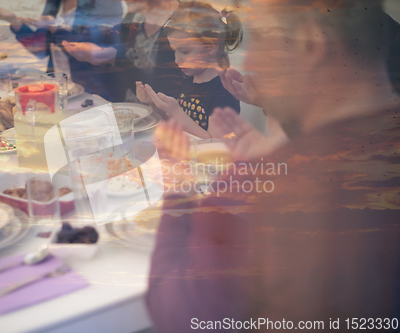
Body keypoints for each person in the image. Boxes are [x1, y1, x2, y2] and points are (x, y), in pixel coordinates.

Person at [146, 0, 400, 332]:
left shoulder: (257, 190)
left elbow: (176, 315)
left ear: (311, 44)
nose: (250, 60)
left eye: (262, 38)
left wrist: (179, 187)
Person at [137, 2, 242, 139]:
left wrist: (176, 112)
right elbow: (178, 124)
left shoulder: (224, 92)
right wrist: (154, 104)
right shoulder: (188, 79)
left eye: (185, 51)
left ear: (210, 47)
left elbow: (215, 143)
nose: (177, 60)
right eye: (174, 51)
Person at [0, 0, 123, 99]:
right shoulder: (54, 4)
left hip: (96, 90)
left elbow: (95, 50)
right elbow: (40, 49)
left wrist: (55, 28)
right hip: (61, 90)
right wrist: (13, 20)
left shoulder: (106, 3)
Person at [62, 0, 184, 103]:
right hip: (131, 114)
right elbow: (121, 80)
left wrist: (113, 58)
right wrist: (101, 57)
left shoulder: (181, 25)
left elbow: (165, 92)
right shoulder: (133, 18)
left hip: (163, 122)